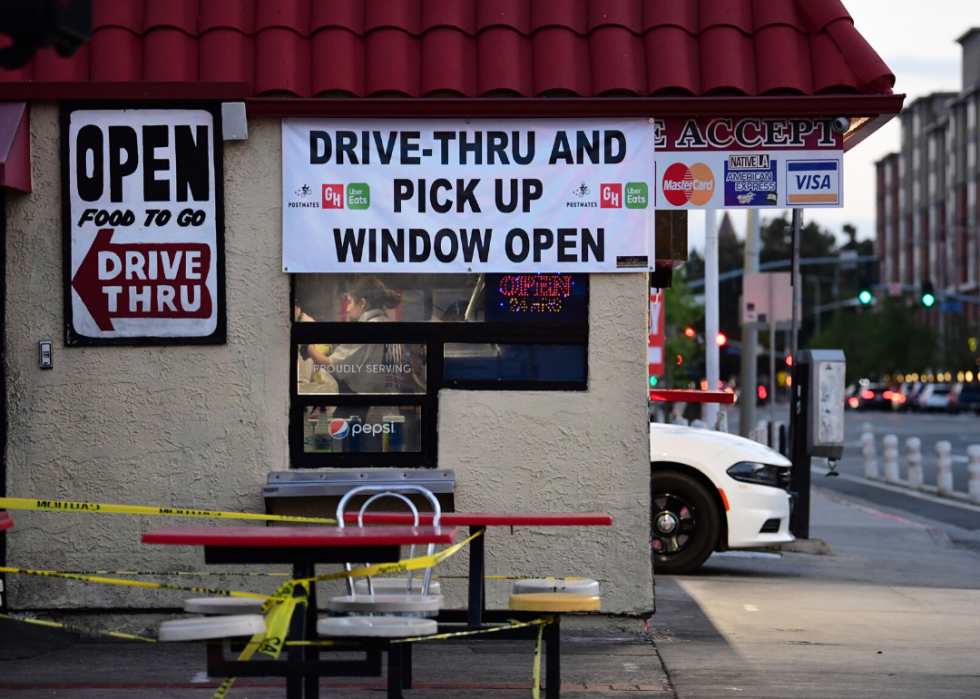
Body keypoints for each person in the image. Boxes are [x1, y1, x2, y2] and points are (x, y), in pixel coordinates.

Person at [306, 277, 402, 395]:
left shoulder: (366, 330)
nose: (347, 309)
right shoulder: (389, 327)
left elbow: (333, 368)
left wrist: (308, 347)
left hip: (367, 408)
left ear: (362, 303)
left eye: (350, 302)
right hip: (389, 407)